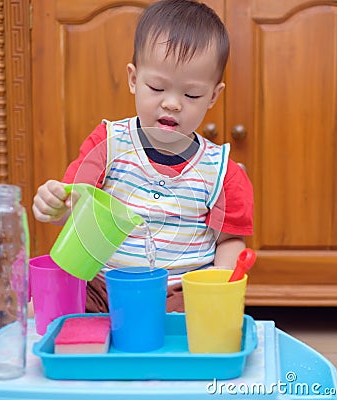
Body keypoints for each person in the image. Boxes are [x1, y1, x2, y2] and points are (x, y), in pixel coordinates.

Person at [32, 0, 253, 312]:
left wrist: (220, 282)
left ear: (213, 96)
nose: (173, 104)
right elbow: (74, 211)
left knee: (189, 327)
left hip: (175, 293)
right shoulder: (108, 144)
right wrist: (55, 206)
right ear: (134, 80)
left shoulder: (221, 171)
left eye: (191, 95)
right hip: (103, 286)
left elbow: (230, 241)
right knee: (47, 307)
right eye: (157, 87)